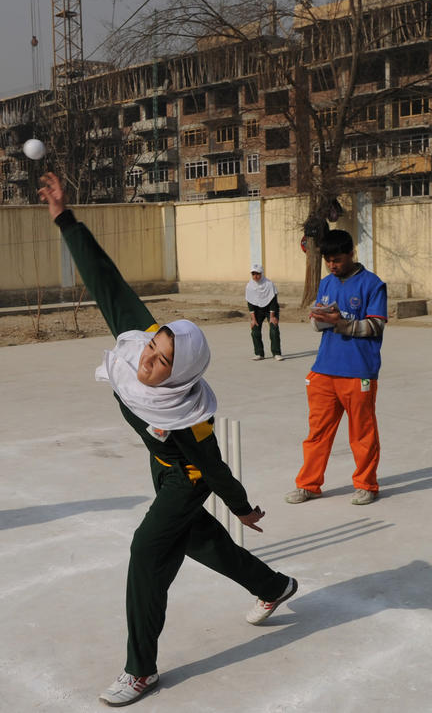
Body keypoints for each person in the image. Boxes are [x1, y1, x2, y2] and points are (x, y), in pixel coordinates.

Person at [37, 172, 296, 707]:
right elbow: (106, 280)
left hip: (188, 478)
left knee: (147, 551)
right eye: (154, 352)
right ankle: (273, 587)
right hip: (161, 467)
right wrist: (65, 216)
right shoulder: (137, 343)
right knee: (198, 541)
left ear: (183, 375)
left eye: (163, 364)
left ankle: (140, 670)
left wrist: (243, 508)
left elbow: (212, 463)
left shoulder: (190, 415)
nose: (150, 365)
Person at [286, 229, 386, 507]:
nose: (332, 265)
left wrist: (341, 322)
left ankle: (366, 484)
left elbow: (376, 325)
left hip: (358, 371)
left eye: (337, 259)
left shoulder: (373, 284)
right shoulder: (326, 283)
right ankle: (308, 485)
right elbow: (318, 324)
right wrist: (319, 318)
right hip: (324, 370)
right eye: (328, 260)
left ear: (351, 254)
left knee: (362, 433)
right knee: (317, 434)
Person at [246, 264, 283, 361]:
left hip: (271, 309)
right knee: (255, 330)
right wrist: (253, 319)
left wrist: (272, 316)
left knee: (274, 329)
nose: (255, 276)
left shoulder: (269, 284)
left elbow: (273, 302)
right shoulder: (250, 286)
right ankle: (259, 353)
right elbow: (250, 304)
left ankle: (276, 353)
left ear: (261, 274)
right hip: (257, 311)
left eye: (257, 274)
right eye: (253, 274)